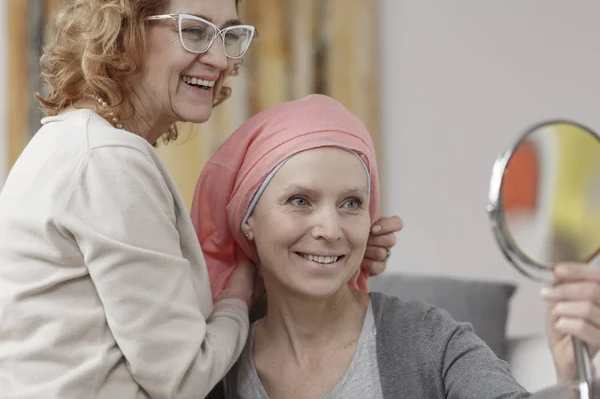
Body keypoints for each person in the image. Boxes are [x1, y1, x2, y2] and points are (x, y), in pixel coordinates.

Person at [0, 0, 401, 398]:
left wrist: (320, 258)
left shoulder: (77, 144)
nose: (219, 58)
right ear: (123, 34)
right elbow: (184, 376)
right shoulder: (108, 161)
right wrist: (238, 295)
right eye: (194, 31)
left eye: (229, 35)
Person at [192, 94, 600, 399]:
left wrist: (569, 377)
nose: (331, 229)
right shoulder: (215, 362)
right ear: (247, 217)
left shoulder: (430, 339)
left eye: (351, 203)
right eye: (300, 200)